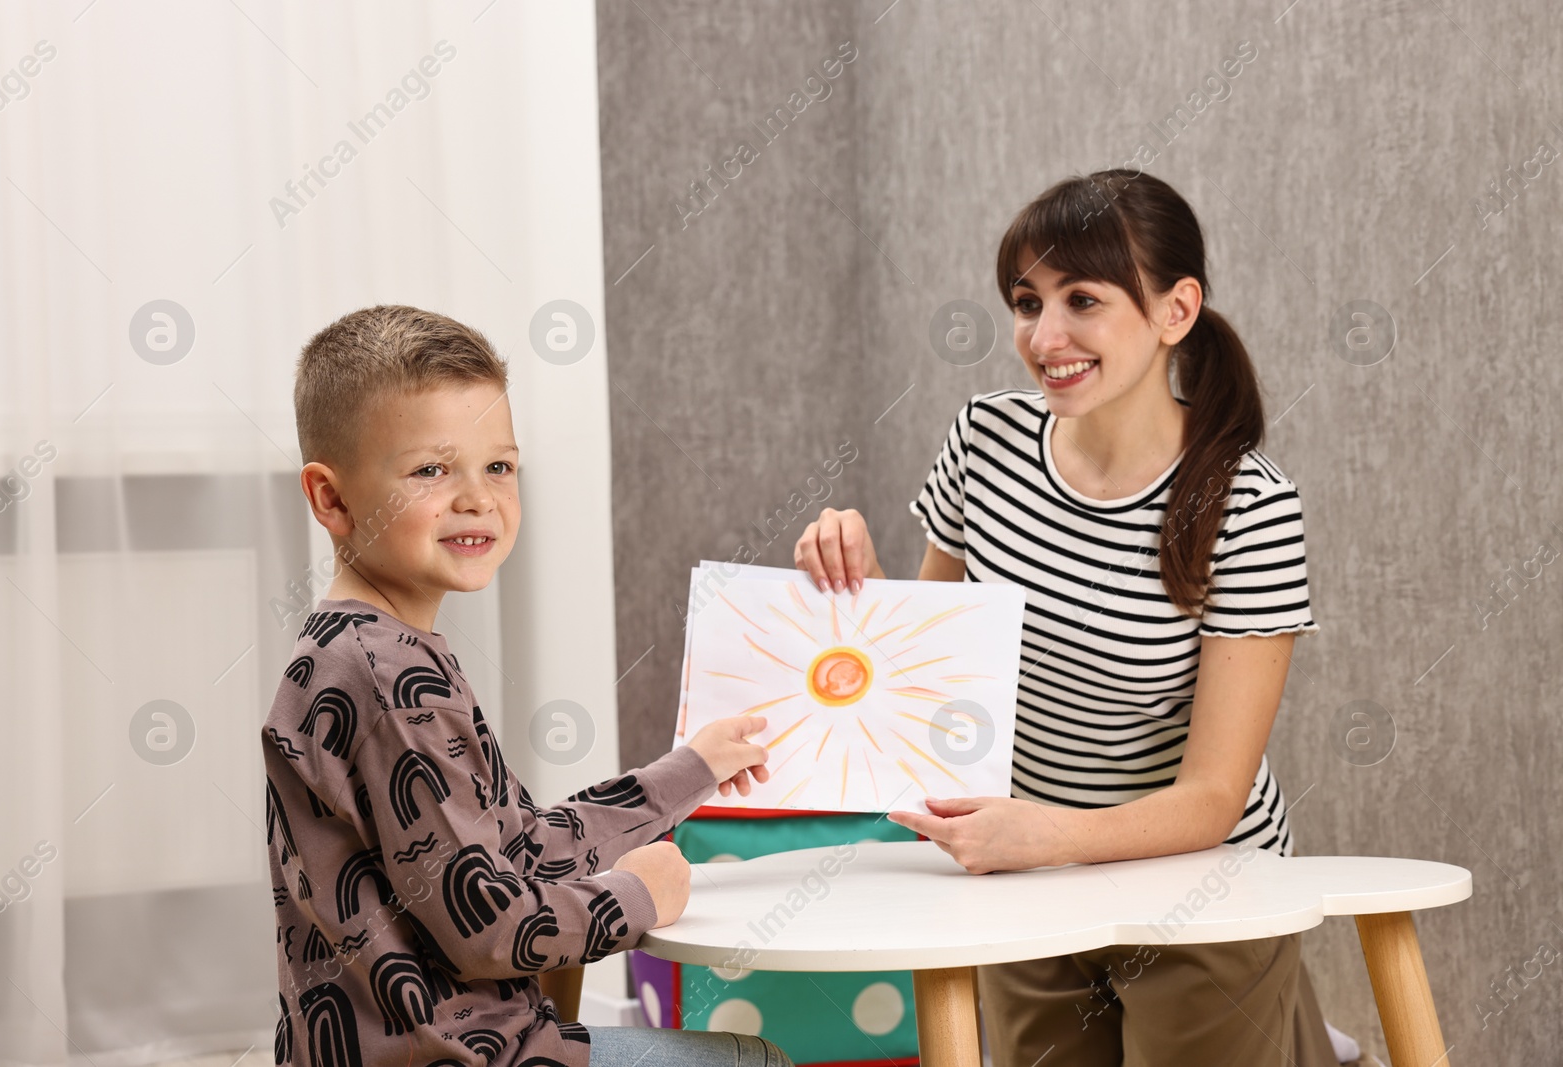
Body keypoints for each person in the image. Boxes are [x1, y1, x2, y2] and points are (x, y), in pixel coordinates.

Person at [794, 171, 1353, 1066]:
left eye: (1082, 300)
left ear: (1177, 311)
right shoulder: (986, 442)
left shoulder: (1247, 502)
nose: (1044, 337)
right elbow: (927, 685)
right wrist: (850, 588)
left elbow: (1212, 798)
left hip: (1199, 889)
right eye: (1026, 302)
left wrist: (1040, 833)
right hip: (1028, 880)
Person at [264, 305, 788, 1067]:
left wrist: (689, 771)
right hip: (465, 1054)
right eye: (431, 469)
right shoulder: (389, 676)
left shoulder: (355, 650)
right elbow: (495, 929)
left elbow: (510, 847)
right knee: (759, 1061)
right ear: (332, 499)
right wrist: (641, 896)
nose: (478, 497)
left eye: (499, 465)